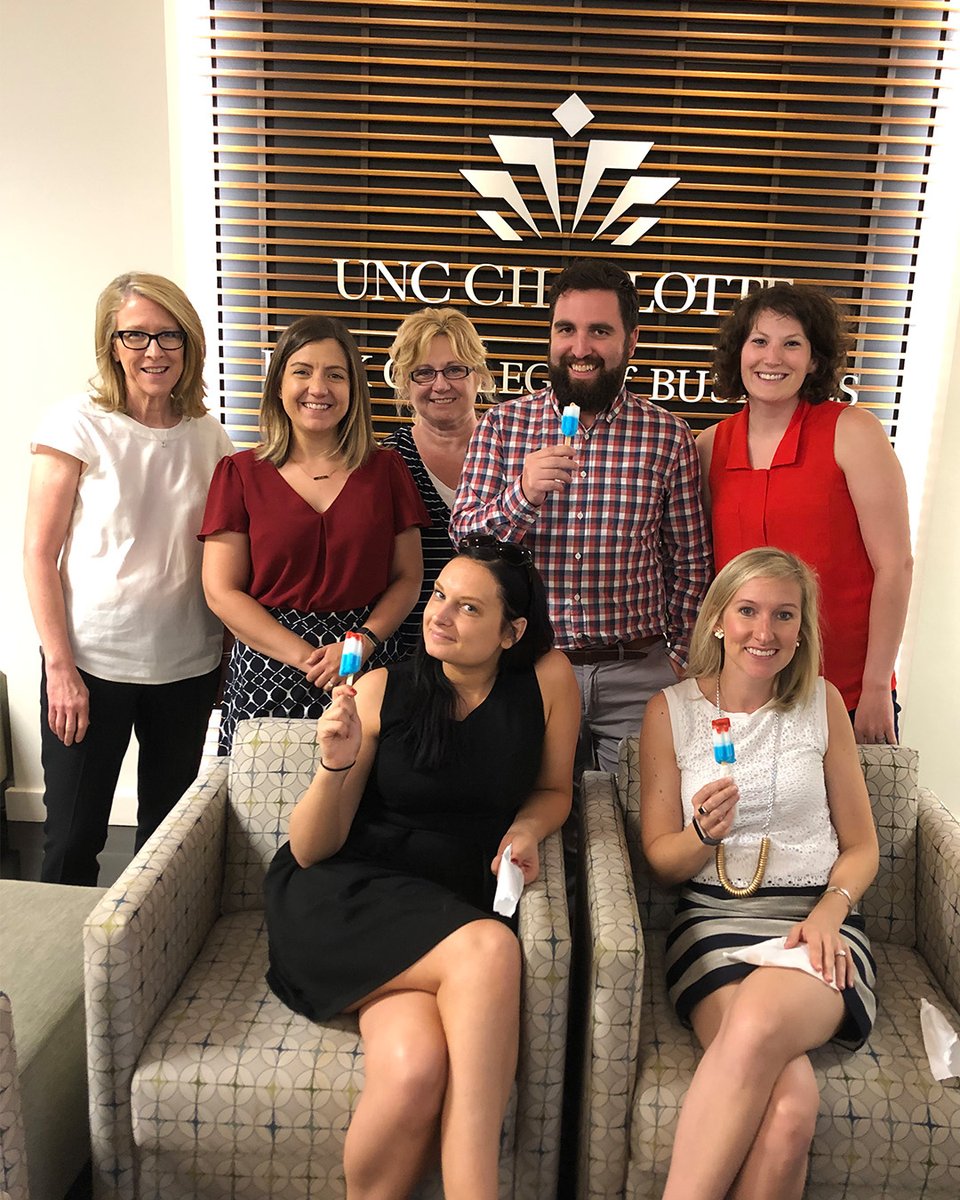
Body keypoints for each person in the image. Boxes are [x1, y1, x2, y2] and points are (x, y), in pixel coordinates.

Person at [264, 536, 580, 1200]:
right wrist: (335, 764)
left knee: (412, 1072)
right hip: (347, 897)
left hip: (442, 914)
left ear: (510, 631)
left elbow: (555, 791)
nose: (438, 615)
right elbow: (310, 849)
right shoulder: (383, 689)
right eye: (439, 596)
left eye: (468, 608)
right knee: (493, 948)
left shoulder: (548, 681)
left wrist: (525, 828)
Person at [640, 547, 879, 1200]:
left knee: (758, 1027)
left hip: (813, 921)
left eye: (783, 615)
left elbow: (862, 847)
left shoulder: (822, 704)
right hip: (712, 923)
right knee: (791, 1111)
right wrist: (700, 836)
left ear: (802, 629)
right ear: (718, 618)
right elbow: (661, 863)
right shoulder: (671, 711)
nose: (764, 632)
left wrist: (829, 913)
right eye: (747, 611)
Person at [451, 257, 712, 773]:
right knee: (534, 818)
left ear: (630, 342)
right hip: (532, 667)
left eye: (599, 331)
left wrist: (680, 655)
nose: (580, 348)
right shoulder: (504, 426)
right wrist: (522, 495)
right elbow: (466, 543)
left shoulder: (668, 435)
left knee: (644, 826)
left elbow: (691, 560)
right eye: (566, 329)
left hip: (638, 671)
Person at [23, 271, 234, 886]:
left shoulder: (209, 436)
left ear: (188, 344)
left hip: (185, 667)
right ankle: (62, 980)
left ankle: (147, 973)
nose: (154, 351)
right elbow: (39, 555)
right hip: (90, 665)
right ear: (111, 343)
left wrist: (224, 655)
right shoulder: (75, 424)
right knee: (71, 838)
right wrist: (59, 667)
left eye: (169, 336)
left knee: (165, 845)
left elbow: (219, 557)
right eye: (136, 335)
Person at [200, 315, 429, 752]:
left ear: (354, 390)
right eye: (302, 371)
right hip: (269, 663)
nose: (318, 388)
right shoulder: (239, 473)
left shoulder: (387, 470)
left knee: (370, 808)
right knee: (265, 809)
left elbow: (408, 577)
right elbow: (220, 591)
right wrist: (307, 657)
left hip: (368, 660)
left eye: (335, 375)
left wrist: (361, 642)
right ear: (279, 384)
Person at [699, 282, 912, 746]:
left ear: (814, 360)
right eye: (759, 341)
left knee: (855, 818)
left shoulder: (852, 431)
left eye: (791, 343)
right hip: (745, 690)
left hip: (847, 687)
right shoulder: (709, 446)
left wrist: (877, 685)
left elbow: (894, 566)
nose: (772, 358)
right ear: (739, 353)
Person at [381, 306, 494, 653]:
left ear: (478, 374)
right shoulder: (386, 461)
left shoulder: (509, 450)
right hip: (410, 653)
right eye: (424, 373)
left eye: (455, 369)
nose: (441, 385)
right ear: (404, 381)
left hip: (496, 655)